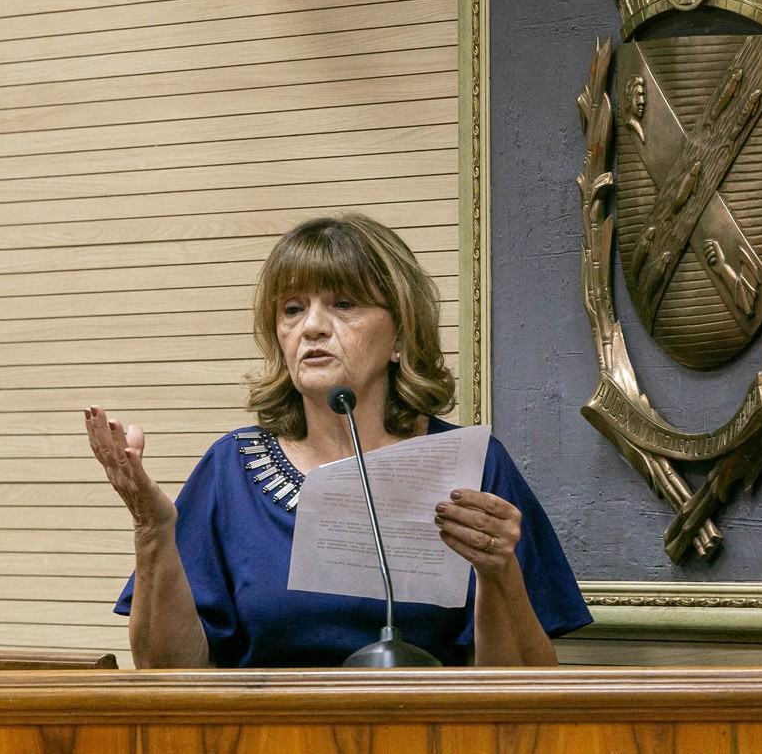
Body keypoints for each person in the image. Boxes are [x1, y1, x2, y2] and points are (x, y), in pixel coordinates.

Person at [85, 214, 592, 668]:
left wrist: (500, 575)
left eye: (343, 304)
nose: (312, 327)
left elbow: (523, 691)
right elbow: (165, 670)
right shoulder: (231, 468)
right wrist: (152, 529)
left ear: (400, 336)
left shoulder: (472, 468)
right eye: (292, 309)